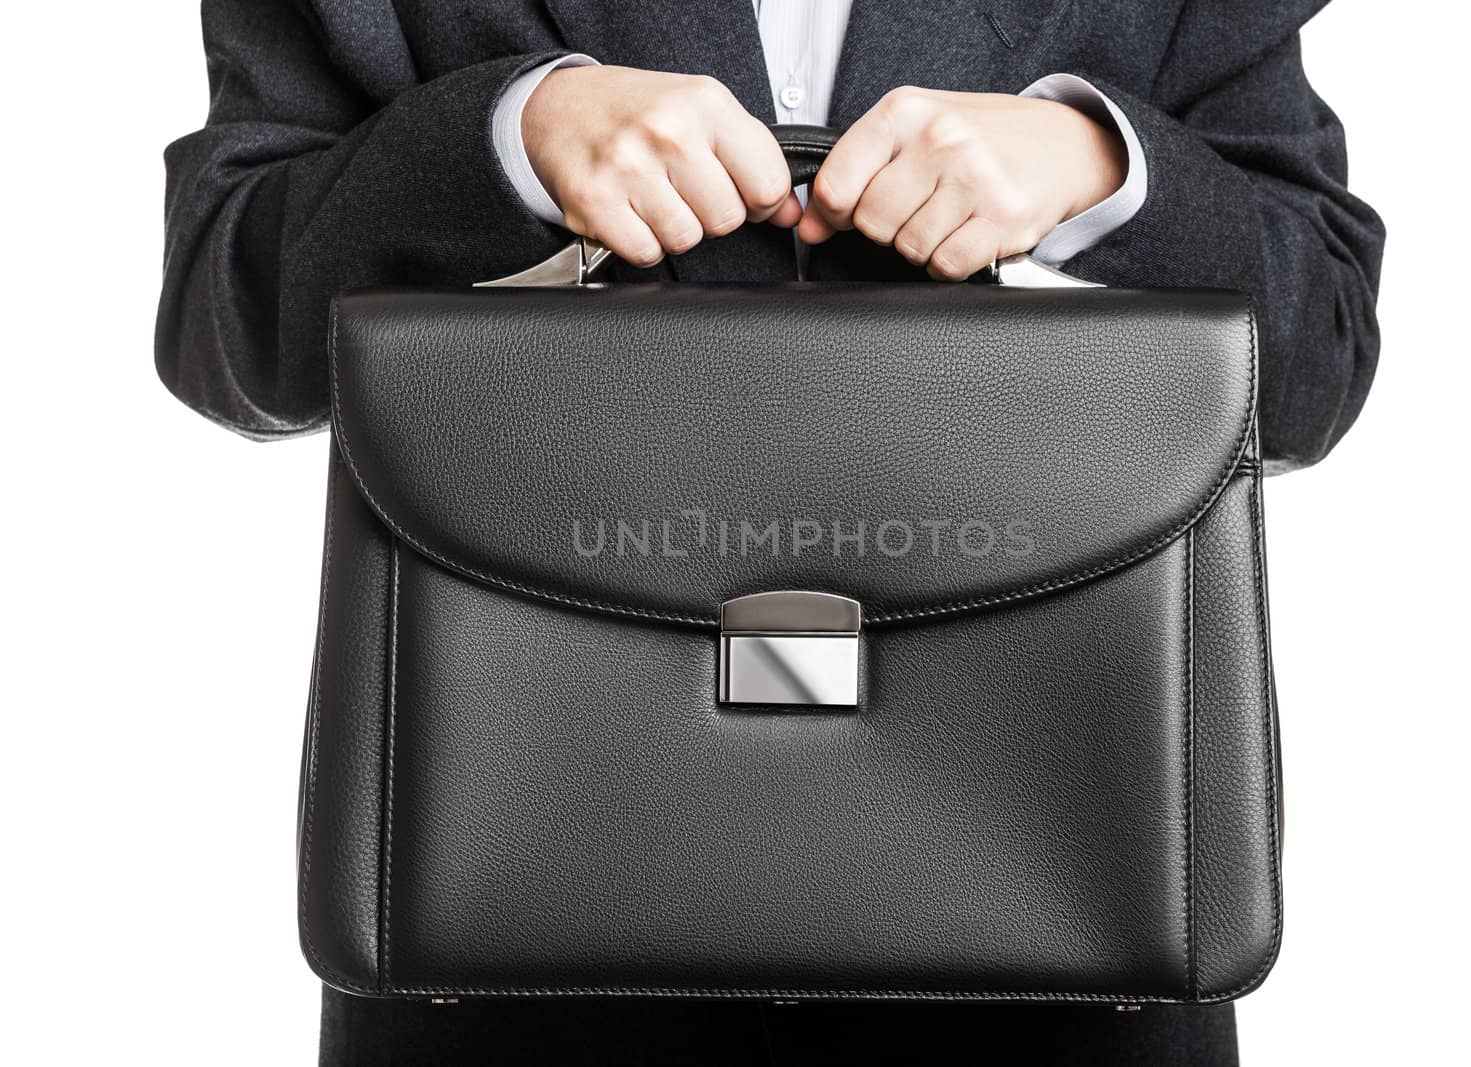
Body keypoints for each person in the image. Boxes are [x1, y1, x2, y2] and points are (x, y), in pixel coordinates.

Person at [158, 1, 1383, 1062]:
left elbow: (1318, 353)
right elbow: (227, 324)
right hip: (510, 940)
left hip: (1059, 937)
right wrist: (508, 142)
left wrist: (1100, 165)